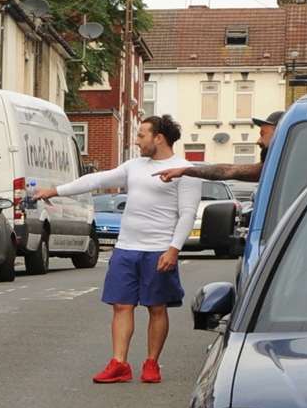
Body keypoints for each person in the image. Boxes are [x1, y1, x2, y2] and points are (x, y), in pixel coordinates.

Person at [31, 114, 202, 384]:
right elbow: (96, 180)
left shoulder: (185, 170)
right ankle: (119, 363)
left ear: (159, 138)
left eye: (142, 135)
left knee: (156, 308)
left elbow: (187, 214)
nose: (137, 141)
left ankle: (151, 363)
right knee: (121, 305)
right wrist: (54, 191)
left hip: (158, 248)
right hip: (126, 248)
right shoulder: (134, 166)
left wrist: (173, 249)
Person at [154, 110, 282, 183]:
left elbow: (228, 171)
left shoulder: (280, 168)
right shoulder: (275, 167)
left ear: (280, 133)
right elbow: (229, 169)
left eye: (263, 134)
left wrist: (184, 171)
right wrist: (184, 171)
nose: (258, 141)